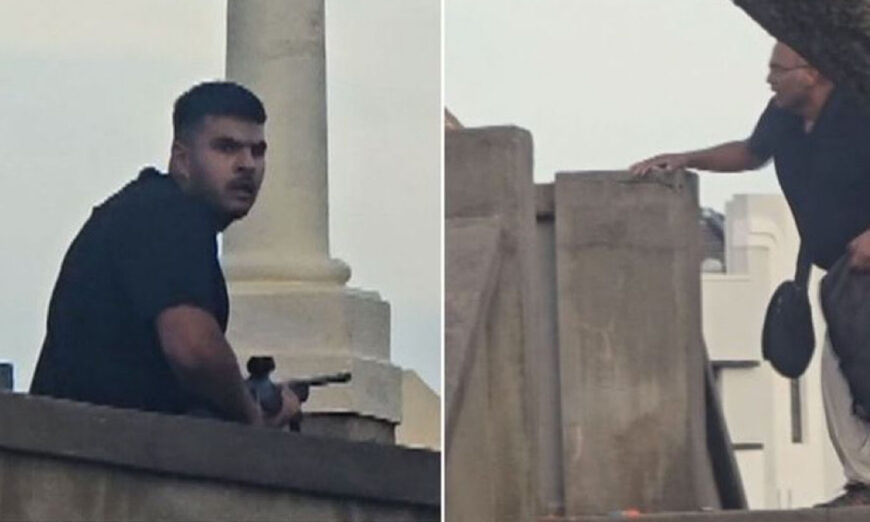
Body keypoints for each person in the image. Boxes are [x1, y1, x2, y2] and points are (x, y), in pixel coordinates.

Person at [631, 42, 870, 507]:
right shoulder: (783, 115)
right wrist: (685, 158)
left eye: (778, 70)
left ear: (814, 72)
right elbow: (749, 152)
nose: (769, 79)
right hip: (842, 273)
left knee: (853, 372)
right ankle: (864, 481)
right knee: (841, 376)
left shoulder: (859, 108)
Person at [30, 81, 299, 428]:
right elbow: (193, 350)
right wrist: (252, 416)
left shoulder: (148, 211)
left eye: (257, 151)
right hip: (96, 455)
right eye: (226, 148)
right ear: (182, 159)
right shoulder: (169, 215)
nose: (247, 164)